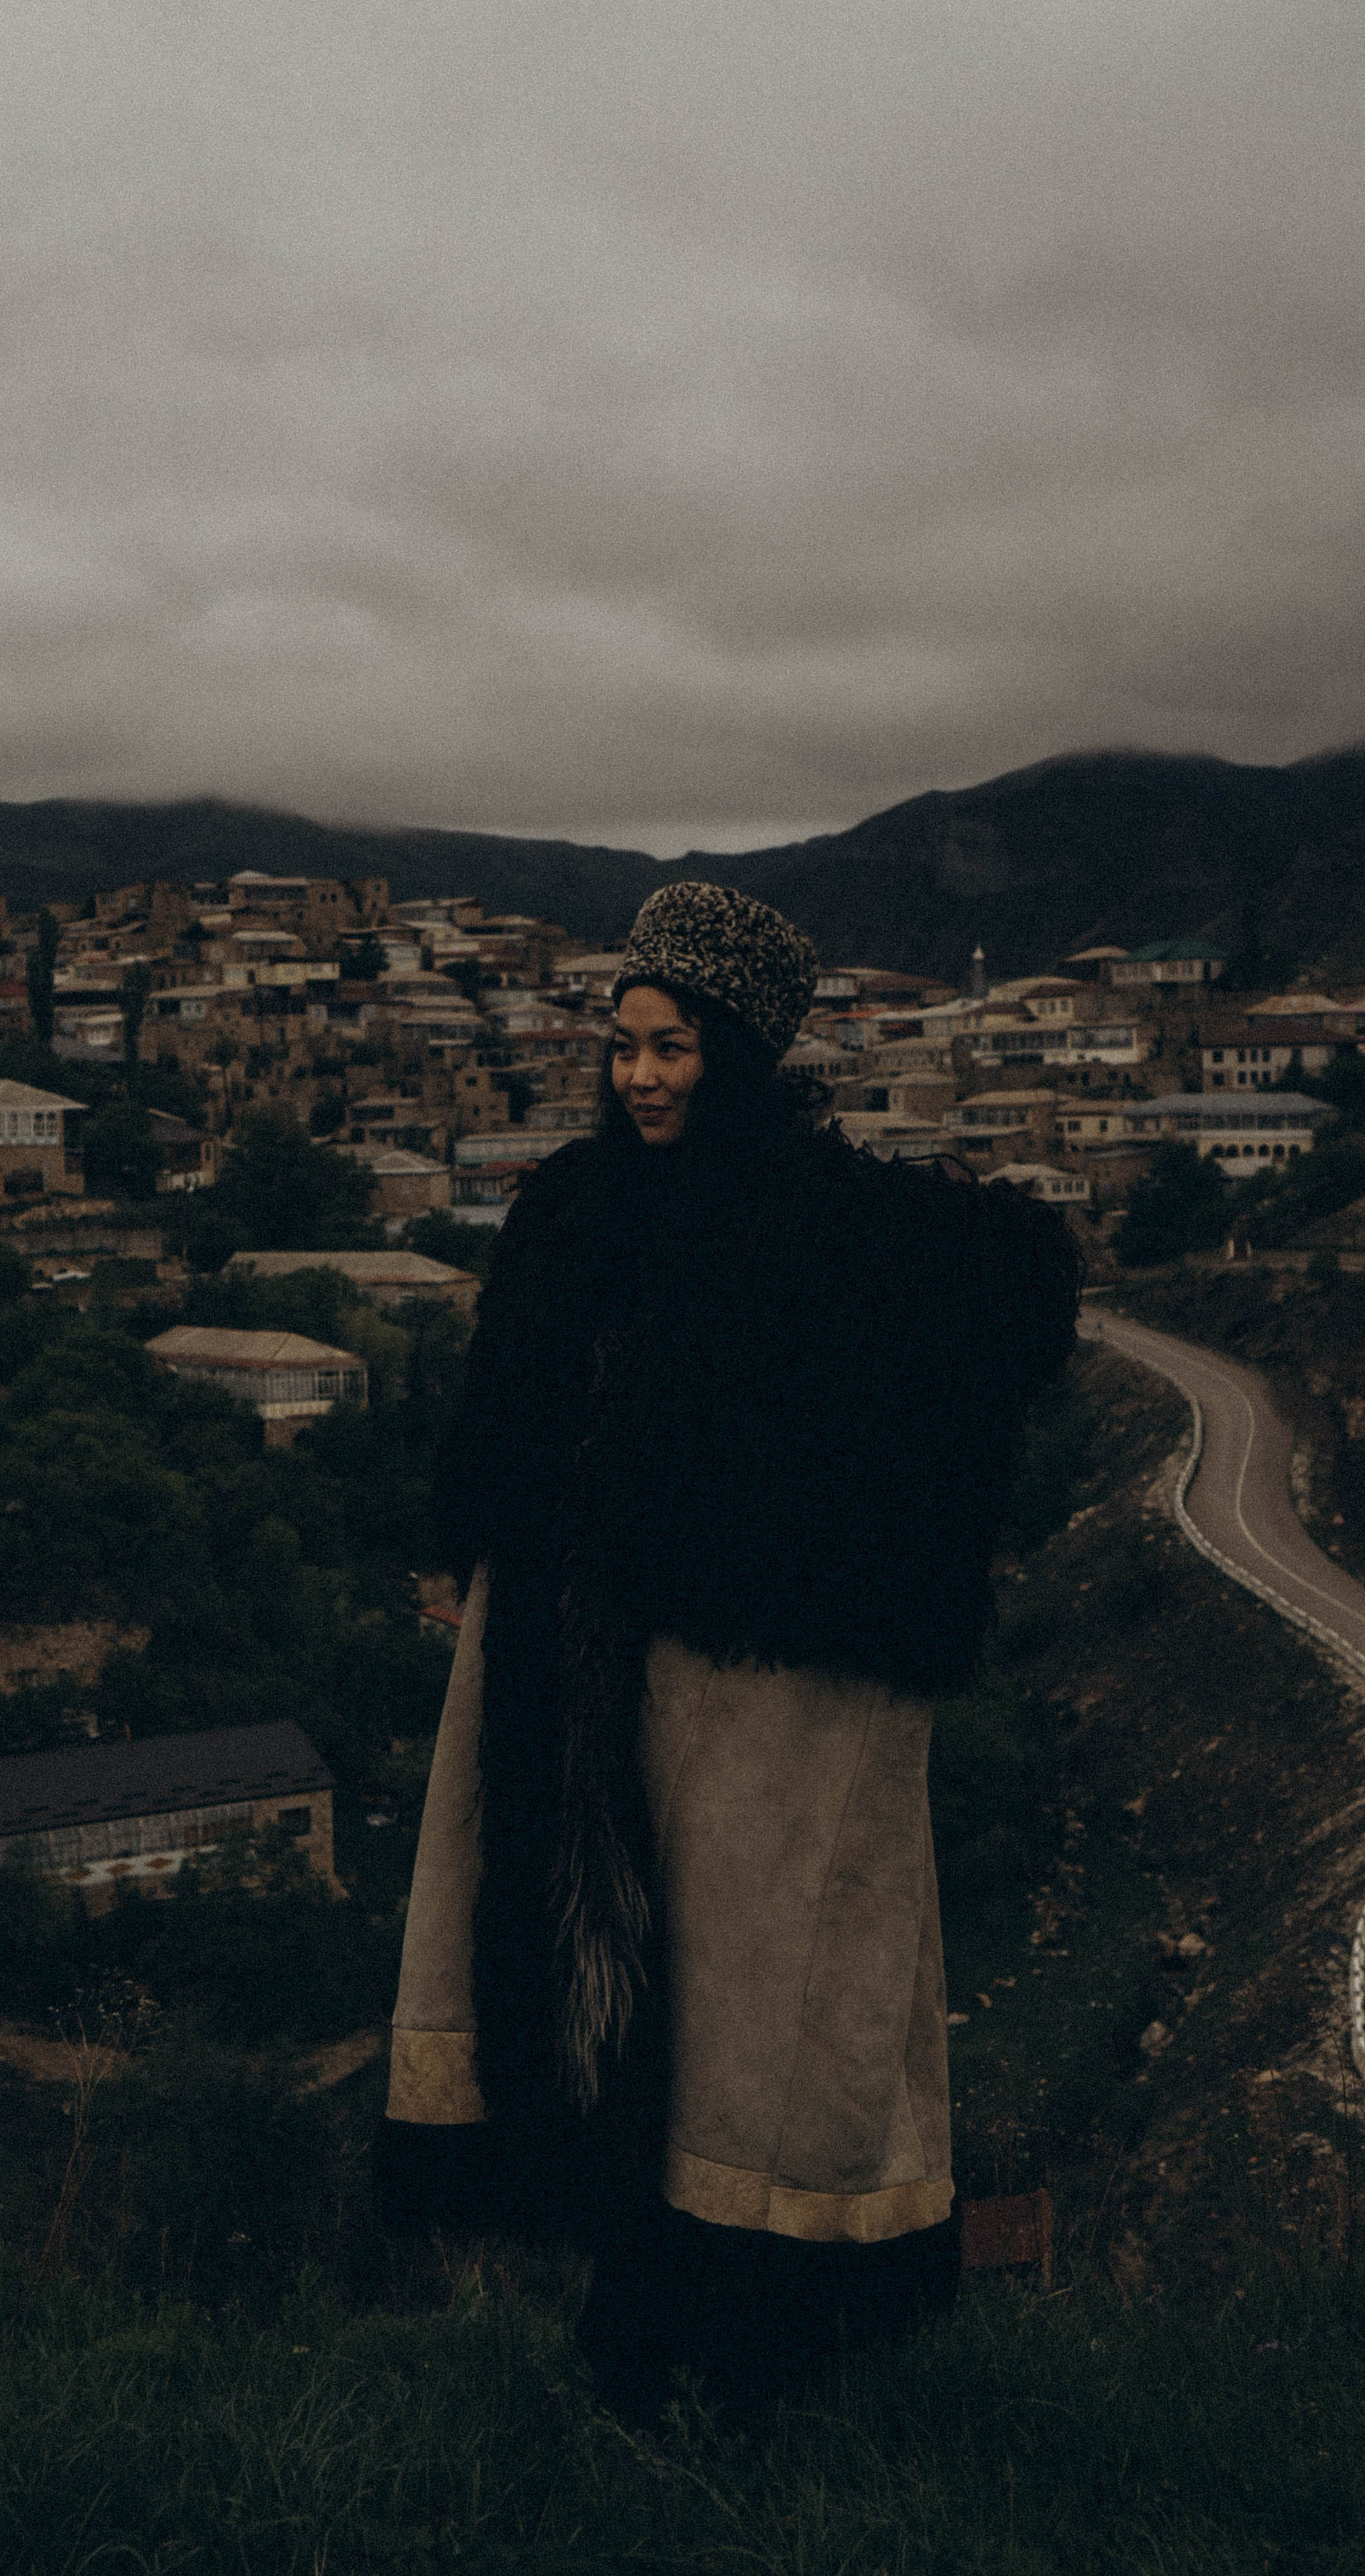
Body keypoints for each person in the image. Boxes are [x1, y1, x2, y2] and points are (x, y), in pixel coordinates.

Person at [376, 882, 1079, 2422]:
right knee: (599, 1995)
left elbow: (1014, 1294)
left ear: (743, 1052)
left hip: (741, 1686)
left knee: (743, 2001)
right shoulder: (570, 1209)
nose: (639, 1077)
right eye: (624, 1044)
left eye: (675, 1047)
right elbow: (512, 1438)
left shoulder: (828, 1219)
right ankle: (634, 2332)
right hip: (571, 1673)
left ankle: (749, 2344)